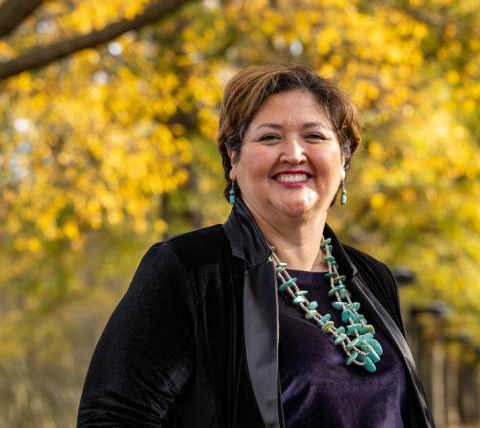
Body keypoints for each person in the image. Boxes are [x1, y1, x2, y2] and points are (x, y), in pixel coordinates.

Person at [77, 64, 434, 427]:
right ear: (234, 159)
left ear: (343, 161)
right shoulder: (190, 270)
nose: (294, 154)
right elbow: (112, 417)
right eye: (270, 138)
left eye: (314, 136)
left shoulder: (373, 279)